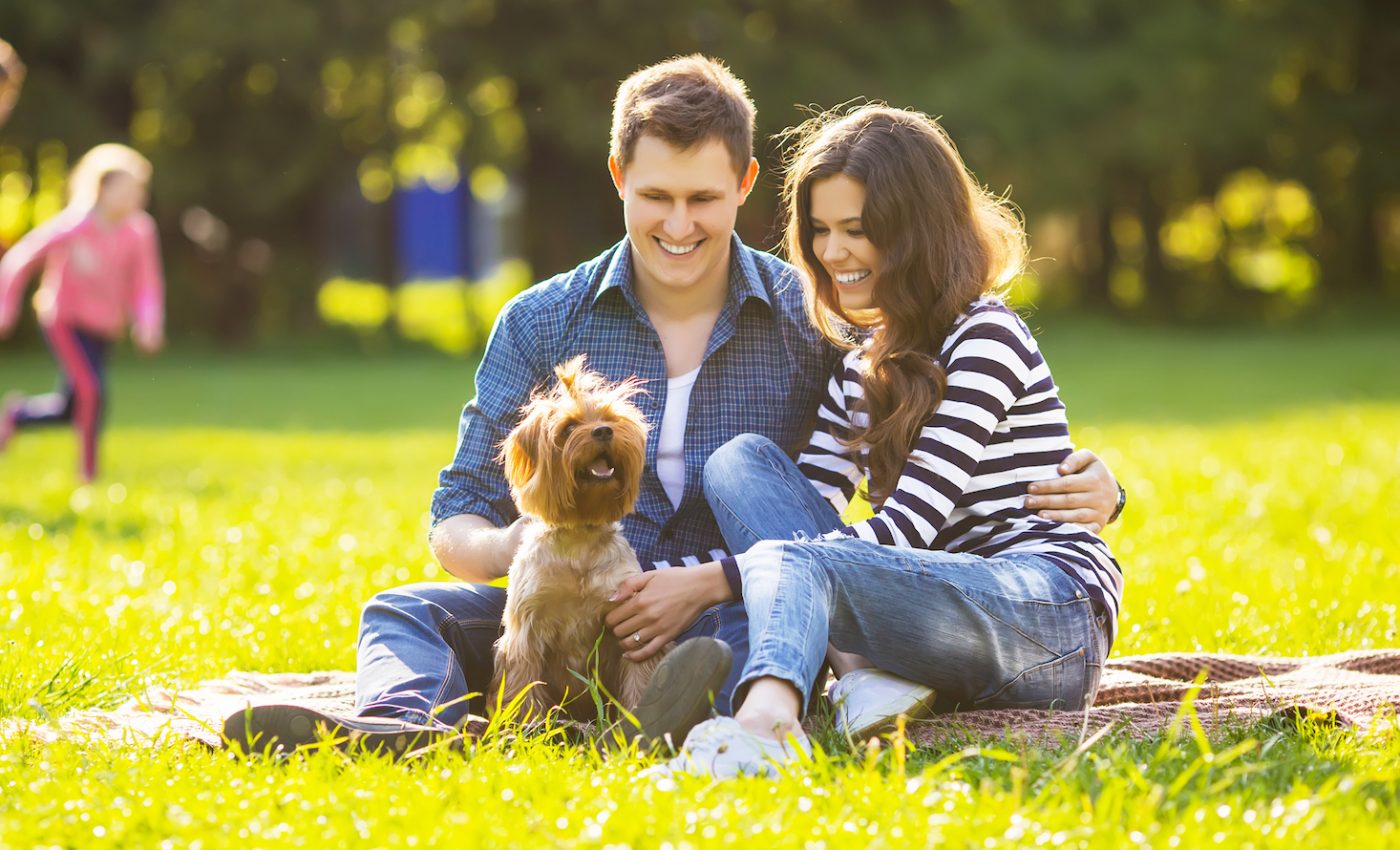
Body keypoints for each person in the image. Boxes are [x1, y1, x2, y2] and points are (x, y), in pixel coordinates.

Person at [225, 57, 1122, 755]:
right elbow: (457, 509)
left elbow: (903, 480)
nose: (680, 224)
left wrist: (1104, 486)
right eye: (655, 196)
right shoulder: (543, 320)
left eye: (703, 198)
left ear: (743, 185)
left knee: (751, 581)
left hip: (731, 600)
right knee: (405, 608)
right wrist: (526, 549)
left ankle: (690, 708)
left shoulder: (815, 323)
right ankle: (399, 729)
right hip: (573, 598)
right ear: (617, 176)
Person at [662, 105, 1124, 778]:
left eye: (858, 230)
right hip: (935, 620)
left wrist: (712, 581)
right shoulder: (862, 366)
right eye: (820, 230)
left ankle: (765, 724)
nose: (831, 252)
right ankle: (864, 677)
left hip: (1047, 613)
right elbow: (804, 512)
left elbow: (908, 527)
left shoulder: (986, 335)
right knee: (740, 466)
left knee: (797, 561)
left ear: (918, 231)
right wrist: (650, 584)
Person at [0, 143, 165, 481]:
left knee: (70, 407)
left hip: (104, 328)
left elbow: (147, 283)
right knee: (92, 390)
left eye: (141, 191)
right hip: (64, 320)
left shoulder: (140, 231)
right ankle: (88, 476)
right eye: (130, 189)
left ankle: (17, 416)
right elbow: (19, 259)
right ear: (103, 188)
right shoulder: (73, 226)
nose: (138, 198)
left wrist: (148, 323)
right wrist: (5, 306)